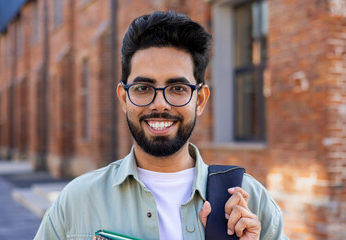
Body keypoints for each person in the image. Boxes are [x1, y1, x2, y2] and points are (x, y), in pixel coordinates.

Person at [34, 11, 288, 240]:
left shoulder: (250, 200)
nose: (159, 104)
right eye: (143, 88)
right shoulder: (77, 200)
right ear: (124, 98)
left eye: (177, 88)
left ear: (199, 100)